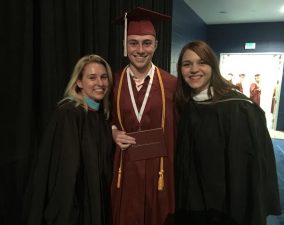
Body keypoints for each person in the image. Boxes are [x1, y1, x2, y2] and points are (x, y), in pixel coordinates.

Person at [174, 41, 281, 225]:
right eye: (187, 64)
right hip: (195, 197)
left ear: (213, 66)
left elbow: (246, 166)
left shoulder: (237, 107)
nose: (194, 69)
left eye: (202, 62)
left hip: (226, 203)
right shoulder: (189, 104)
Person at [23, 54, 114, 225]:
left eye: (104, 77)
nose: (100, 83)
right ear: (79, 82)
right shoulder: (69, 113)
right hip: (75, 209)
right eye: (92, 77)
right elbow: (65, 173)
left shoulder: (99, 115)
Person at [111, 7, 177, 225]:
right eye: (133, 42)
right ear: (125, 45)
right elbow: (102, 119)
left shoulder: (171, 84)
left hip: (159, 171)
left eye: (147, 42)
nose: (140, 49)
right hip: (126, 168)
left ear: (156, 45)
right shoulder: (114, 82)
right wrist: (112, 131)